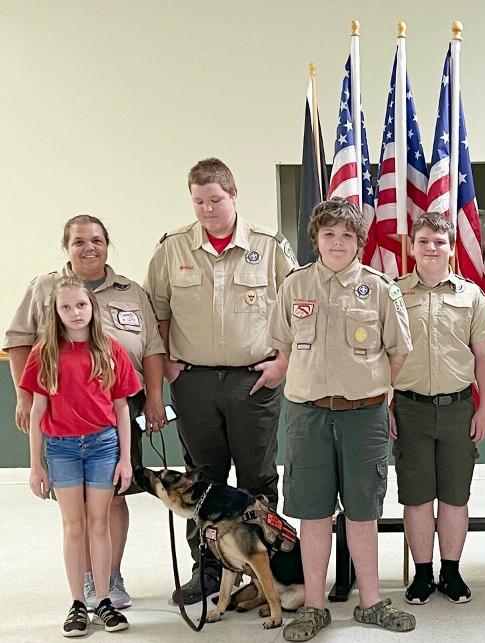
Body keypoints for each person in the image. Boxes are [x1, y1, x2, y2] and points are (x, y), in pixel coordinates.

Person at [144, 158, 296, 604]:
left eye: (215, 199)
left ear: (233, 195)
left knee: (258, 479)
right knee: (200, 481)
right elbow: (157, 312)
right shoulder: (173, 248)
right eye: (198, 201)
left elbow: (297, 307)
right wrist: (169, 364)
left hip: (254, 380)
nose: (207, 209)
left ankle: (259, 571)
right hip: (194, 382)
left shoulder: (268, 246)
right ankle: (207, 569)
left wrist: (282, 363)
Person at [268, 198, 414, 641]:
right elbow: (283, 348)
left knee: (363, 512)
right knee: (313, 514)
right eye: (328, 234)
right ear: (315, 239)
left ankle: (371, 601)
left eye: (347, 235)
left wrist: (370, 389)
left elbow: (399, 351)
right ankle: (315, 606)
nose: (337, 242)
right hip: (307, 416)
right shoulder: (294, 287)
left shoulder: (380, 288)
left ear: (359, 243)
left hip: (363, 416)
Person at [5, 215, 166, 610]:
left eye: (96, 240)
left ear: (107, 244)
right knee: (74, 511)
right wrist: (25, 397)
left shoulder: (132, 291)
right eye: (78, 241)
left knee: (114, 496)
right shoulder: (44, 288)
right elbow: (18, 341)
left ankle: (111, 577)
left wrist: (156, 397)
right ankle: (85, 584)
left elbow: (151, 348)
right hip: (62, 415)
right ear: (67, 247)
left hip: (118, 409)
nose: (88, 247)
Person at [20, 277, 142, 636]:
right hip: (62, 449)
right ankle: (78, 602)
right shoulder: (45, 352)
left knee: (98, 523)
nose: (75, 313)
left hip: (104, 446)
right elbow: (38, 411)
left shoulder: (110, 349)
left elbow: (121, 408)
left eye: (81, 305)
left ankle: (103, 600)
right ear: (56, 314)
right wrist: (35, 465)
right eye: (66, 307)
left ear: (93, 308)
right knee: (74, 527)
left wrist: (125, 458)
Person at [392, 213, 485, 605]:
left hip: (457, 407)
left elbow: (484, 355)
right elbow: (385, 354)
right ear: (412, 247)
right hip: (409, 407)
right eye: (423, 241)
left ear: (452, 248)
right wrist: (385, 404)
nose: (431, 247)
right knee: (416, 496)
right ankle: (422, 575)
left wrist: (484, 408)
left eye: (439, 241)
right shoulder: (395, 293)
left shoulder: (471, 295)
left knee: (455, 495)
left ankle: (451, 572)